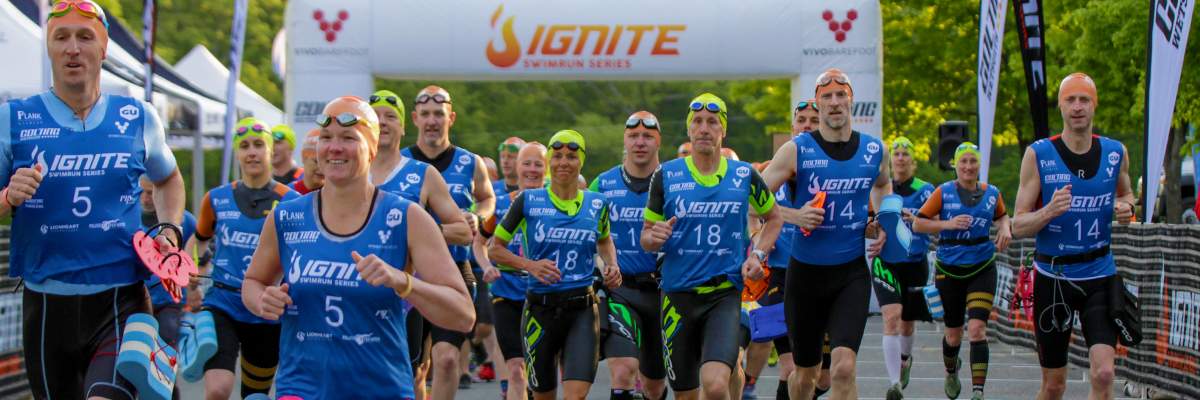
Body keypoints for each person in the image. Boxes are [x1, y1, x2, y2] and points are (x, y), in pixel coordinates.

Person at [0, 1, 186, 397]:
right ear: (48, 48)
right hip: (47, 305)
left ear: (103, 49)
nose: (72, 48)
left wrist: (169, 231)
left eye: (85, 37)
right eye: (61, 38)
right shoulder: (13, 119)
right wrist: (7, 196)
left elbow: (168, 179)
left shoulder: (138, 117)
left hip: (121, 301)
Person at [241, 96, 475, 399]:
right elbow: (252, 282)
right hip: (302, 388)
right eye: (326, 138)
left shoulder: (407, 218)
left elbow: (463, 315)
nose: (334, 147)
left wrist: (403, 282)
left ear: (373, 148)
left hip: (381, 388)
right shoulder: (287, 216)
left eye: (349, 138)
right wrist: (262, 300)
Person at [760, 68, 891, 400]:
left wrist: (878, 218)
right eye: (827, 97)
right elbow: (752, 202)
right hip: (804, 276)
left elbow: (882, 185)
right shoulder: (796, 151)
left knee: (844, 368)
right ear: (818, 104)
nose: (834, 103)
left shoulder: (875, 151)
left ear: (851, 100)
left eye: (840, 95)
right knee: (806, 376)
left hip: (851, 274)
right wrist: (794, 215)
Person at [642, 93, 782, 400]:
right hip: (677, 297)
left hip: (723, 296)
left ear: (723, 131)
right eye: (698, 123)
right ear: (690, 130)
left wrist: (758, 254)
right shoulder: (666, 175)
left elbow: (774, 218)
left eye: (712, 123)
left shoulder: (744, 174)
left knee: (716, 384)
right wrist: (657, 235)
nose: (704, 129)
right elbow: (646, 238)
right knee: (687, 394)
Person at [1011, 72, 1134, 400]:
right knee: (1054, 386)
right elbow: (1017, 224)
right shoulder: (1038, 154)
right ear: (1060, 106)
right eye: (1070, 100)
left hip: (1100, 275)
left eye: (1084, 100)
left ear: (1094, 105)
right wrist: (1048, 211)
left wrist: (1126, 208)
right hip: (1054, 277)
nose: (1077, 107)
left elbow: (1128, 197)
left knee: (1104, 374)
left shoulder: (1115, 152)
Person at [489, 130, 622, 400]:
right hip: (540, 309)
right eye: (557, 156)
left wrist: (612, 265)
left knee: (576, 395)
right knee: (543, 395)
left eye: (571, 156)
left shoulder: (597, 203)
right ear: (550, 160)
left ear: (581, 161)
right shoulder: (528, 201)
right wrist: (530, 265)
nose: (564, 162)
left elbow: (605, 241)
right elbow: (495, 249)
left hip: (582, 310)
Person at [367, 88, 473, 399]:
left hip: (424, 281)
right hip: (367, 285)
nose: (383, 123)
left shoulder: (421, 173)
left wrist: (420, 235)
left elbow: (463, 231)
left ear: (403, 126)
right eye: (375, 117)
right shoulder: (350, 172)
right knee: (405, 373)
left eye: (390, 117)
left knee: (443, 360)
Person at [192, 117, 300, 399]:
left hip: (265, 312)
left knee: (255, 395)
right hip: (222, 304)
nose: (251, 152)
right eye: (244, 146)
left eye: (258, 145)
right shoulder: (216, 198)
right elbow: (200, 239)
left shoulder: (290, 201)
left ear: (270, 151)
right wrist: (194, 271)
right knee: (217, 390)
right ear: (238, 153)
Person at [402, 85, 497, 400]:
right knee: (414, 368)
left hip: (455, 268)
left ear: (451, 118)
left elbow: (487, 198)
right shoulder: (401, 162)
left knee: (446, 360)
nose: (432, 121)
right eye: (426, 114)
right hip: (410, 272)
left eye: (439, 115)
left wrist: (479, 217)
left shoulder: (470, 162)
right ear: (415, 118)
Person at [913, 142, 1012, 400]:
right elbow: (918, 224)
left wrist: (1004, 228)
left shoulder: (992, 193)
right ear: (955, 165)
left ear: (980, 165)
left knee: (978, 329)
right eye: (964, 161)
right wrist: (948, 223)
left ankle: (978, 390)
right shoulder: (943, 192)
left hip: (982, 266)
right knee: (953, 335)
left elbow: (1002, 216)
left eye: (973, 161)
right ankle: (951, 371)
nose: (968, 166)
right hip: (950, 269)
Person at [743, 98, 820, 400]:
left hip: (821, 275)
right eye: (801, 120)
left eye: (814, 121)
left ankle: (750, 383)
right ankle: (749, 384)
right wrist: (762, 235)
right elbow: (751, 207)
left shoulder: (832, 170)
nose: (806, 126)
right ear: (792, 127)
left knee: (816, 376)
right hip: (779, 275)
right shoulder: (771, 168)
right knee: (791, 368)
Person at [590, 111, 668, 400]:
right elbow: (586, 235)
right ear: (625, 140)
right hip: (620, 290)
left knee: (654, 385)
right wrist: (601, 267)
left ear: (658, 141)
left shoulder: (672, 180)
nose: (640, 142)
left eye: (647, 136)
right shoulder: (603, 184)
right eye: (633, 136)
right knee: (623, 371)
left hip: (663, 292)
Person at [866, 136, 935, 400]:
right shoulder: (880, 189)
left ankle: (905, 359)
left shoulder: (926, 190)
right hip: (886, 261)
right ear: (891, 160)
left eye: (906, 154)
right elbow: (870, 224)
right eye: (897, 154)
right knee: (892, 317)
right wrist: (876, 229)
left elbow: (938, 221)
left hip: (915, 262)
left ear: (914, 162)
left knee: (907, 323)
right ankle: (894, 383)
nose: (901, 158)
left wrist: (917, 221)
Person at [478, 142, 547, 400]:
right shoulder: (499, 205)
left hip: (543, 296)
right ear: (516, 169)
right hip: (506, 294)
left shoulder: (554, 202)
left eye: (538, 164)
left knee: (540, 373)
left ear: (546, 169)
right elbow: (479, 243)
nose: (531, 169)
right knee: (516, 370)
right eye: (526, 164)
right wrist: (486, 266)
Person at [289, 128, 323, 195]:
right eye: (316, 161)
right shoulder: (287, 194)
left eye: (327, 162)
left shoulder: (337, 194)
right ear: (303, 157)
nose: (321, 168)